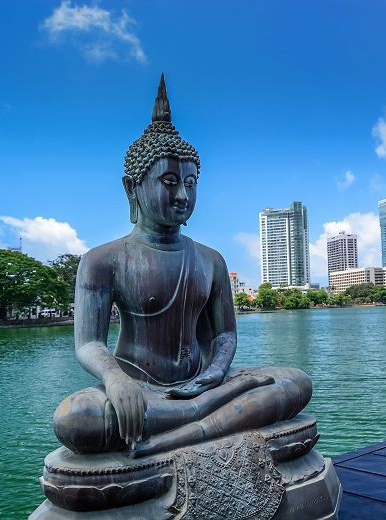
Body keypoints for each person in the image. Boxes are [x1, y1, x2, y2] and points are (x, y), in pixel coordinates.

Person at [52, 75, 311, 459]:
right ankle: (205, 423)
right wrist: (115, 378)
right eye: (170, 182)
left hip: (203, 387)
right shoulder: (102, 260)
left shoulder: (211, 259)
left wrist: (217, 372)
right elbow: (89, 343)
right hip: (138, 390)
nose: (183, 196)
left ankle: (180, 431)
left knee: (295, 383)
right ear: (132, 188)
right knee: (78, 418)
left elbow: (225, 336)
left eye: (191, 183)